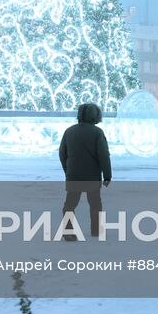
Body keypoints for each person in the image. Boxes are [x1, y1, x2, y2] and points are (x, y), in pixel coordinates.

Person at [59, 102, 112, 240]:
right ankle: (96, 230)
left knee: (70, 204)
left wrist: (68, 170)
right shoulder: (97, 133)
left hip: (73, 175)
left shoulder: (69, 131)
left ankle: (68, 231)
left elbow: (62, 154)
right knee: (95, 204)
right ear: (96, 116)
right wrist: (107, 175)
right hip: (92, 176)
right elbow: (104, 156)